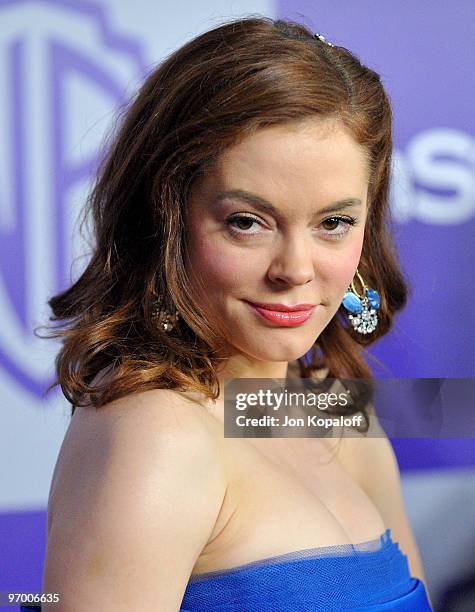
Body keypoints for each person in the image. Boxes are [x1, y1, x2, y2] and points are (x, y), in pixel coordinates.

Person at [34, 16, 433, 611]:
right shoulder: (155, 435)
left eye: (333, 223)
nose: (295, 269)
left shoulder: (331, 405)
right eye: (247, 222)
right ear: (164, 220)